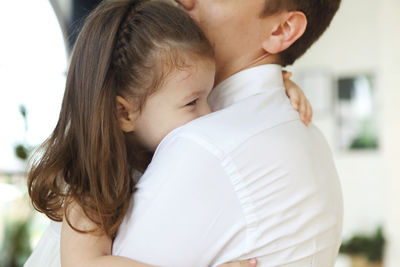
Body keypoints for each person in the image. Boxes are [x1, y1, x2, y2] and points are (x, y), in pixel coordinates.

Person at [24, 1, 311, 267]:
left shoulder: (160, 137)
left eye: (210, 96)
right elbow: (86, 265)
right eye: (192, 102)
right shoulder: (90, 183)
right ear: (124, 113)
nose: (209, 113)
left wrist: (272, 87)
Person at [110, 0, 343, 266]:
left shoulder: (204, 145)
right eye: (191, 102)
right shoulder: (308, 136)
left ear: (281, 30)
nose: (184, 1)